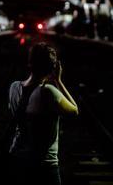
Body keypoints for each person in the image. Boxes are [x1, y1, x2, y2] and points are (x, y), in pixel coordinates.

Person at [8, 42, 79, 185]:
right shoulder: (48, 92)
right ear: (53, 68)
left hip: (17, 158)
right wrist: (58, 80)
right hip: (44, 165)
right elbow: (74, 111)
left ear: (30, 63)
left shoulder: (14, 87)